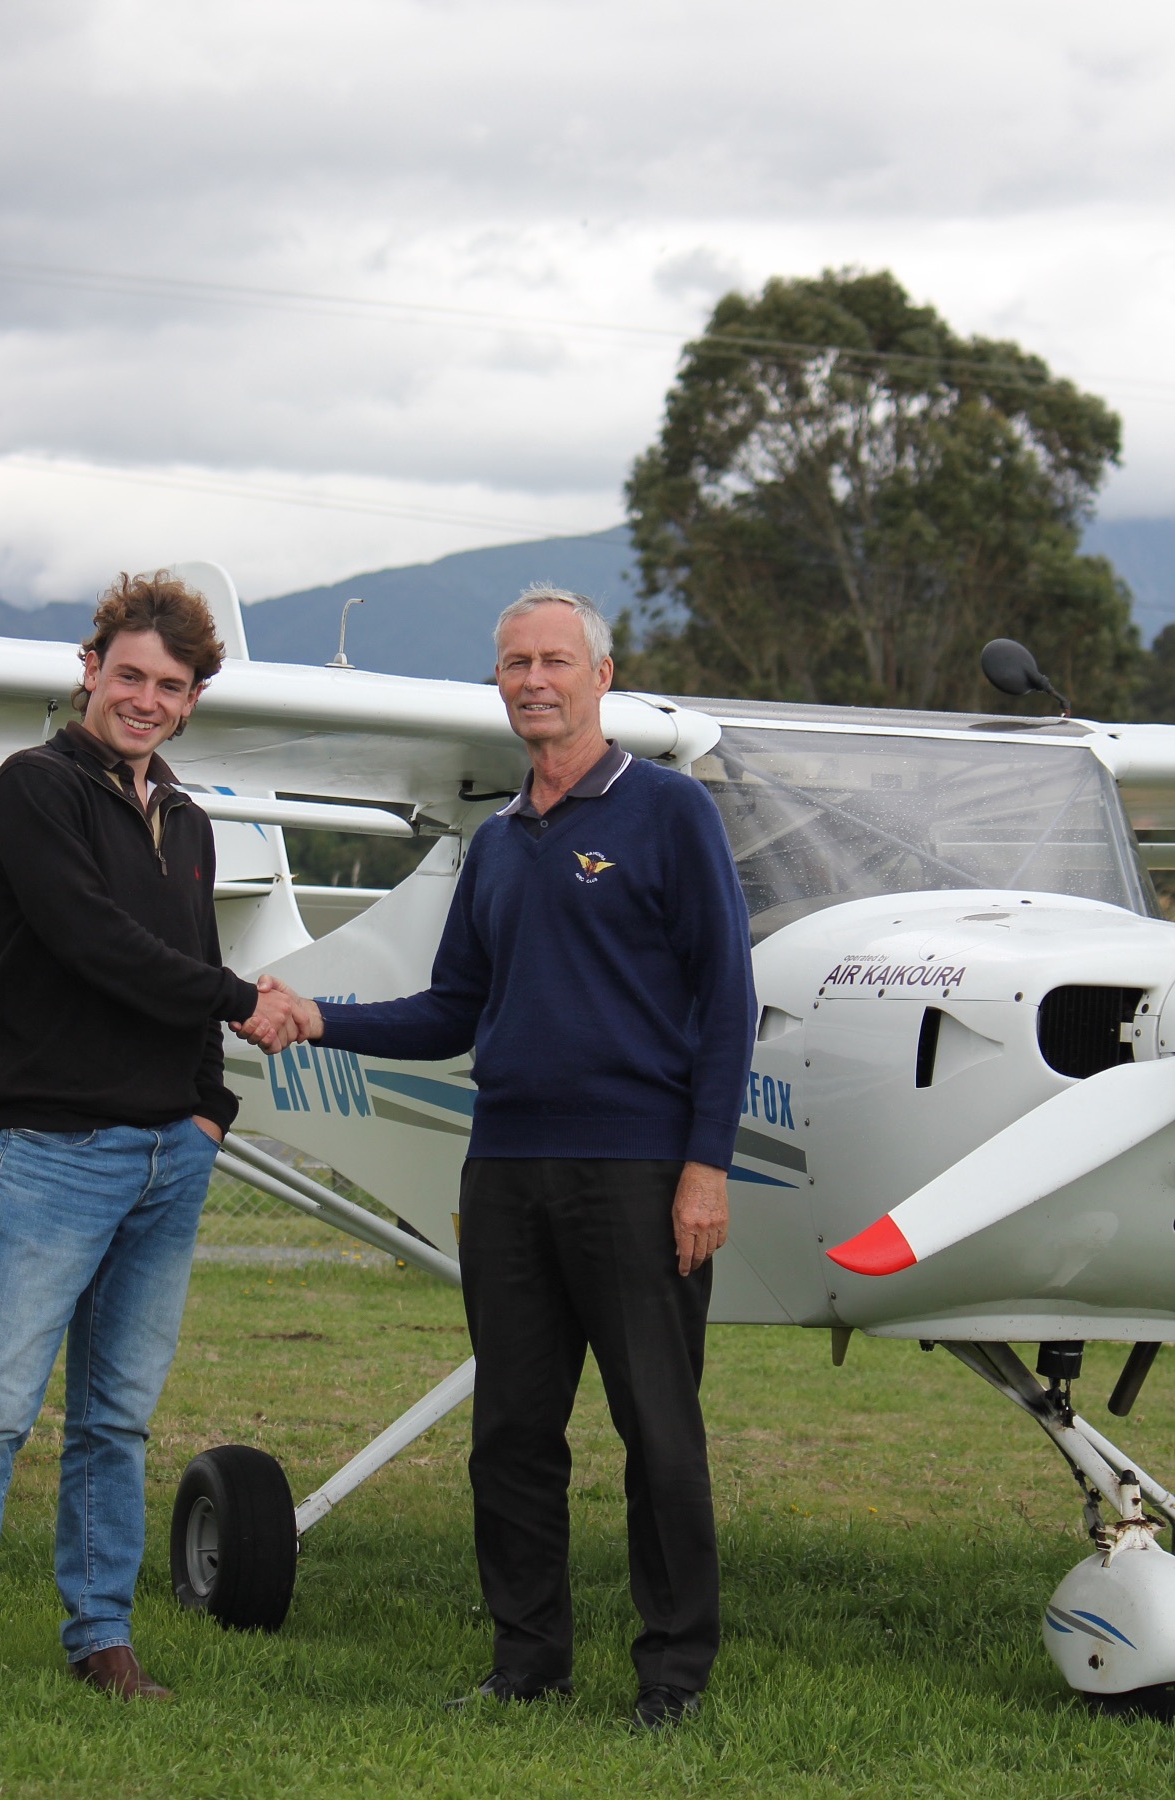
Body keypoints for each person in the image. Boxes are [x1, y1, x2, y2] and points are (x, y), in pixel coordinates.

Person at [242, 585, 755, 1731]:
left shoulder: (670, 813)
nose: (533, 679)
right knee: (511, 1438)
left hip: (635, 1172)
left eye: (554, 661)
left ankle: (671, 1676)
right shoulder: (497, 845)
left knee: (658, 1436)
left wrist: (706, 1167)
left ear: (601, 677)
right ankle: (527, 1662)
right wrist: (322, 1017)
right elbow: (452, 1012)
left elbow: (728, 1002)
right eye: (515, 663)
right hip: (507, 1172)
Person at [0, 571, 296, 1705]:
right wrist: (236, 999)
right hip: (58, 1151)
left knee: (114, 1418)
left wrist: (209, 1113)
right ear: (90, 670)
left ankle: (101, 1636)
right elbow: (95, 943)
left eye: (170, 685)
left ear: (191, 699)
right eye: (129, 675)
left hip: (170, 1156)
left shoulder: (190, 819)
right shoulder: (36, 789)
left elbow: (167, 970)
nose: (146, 698)